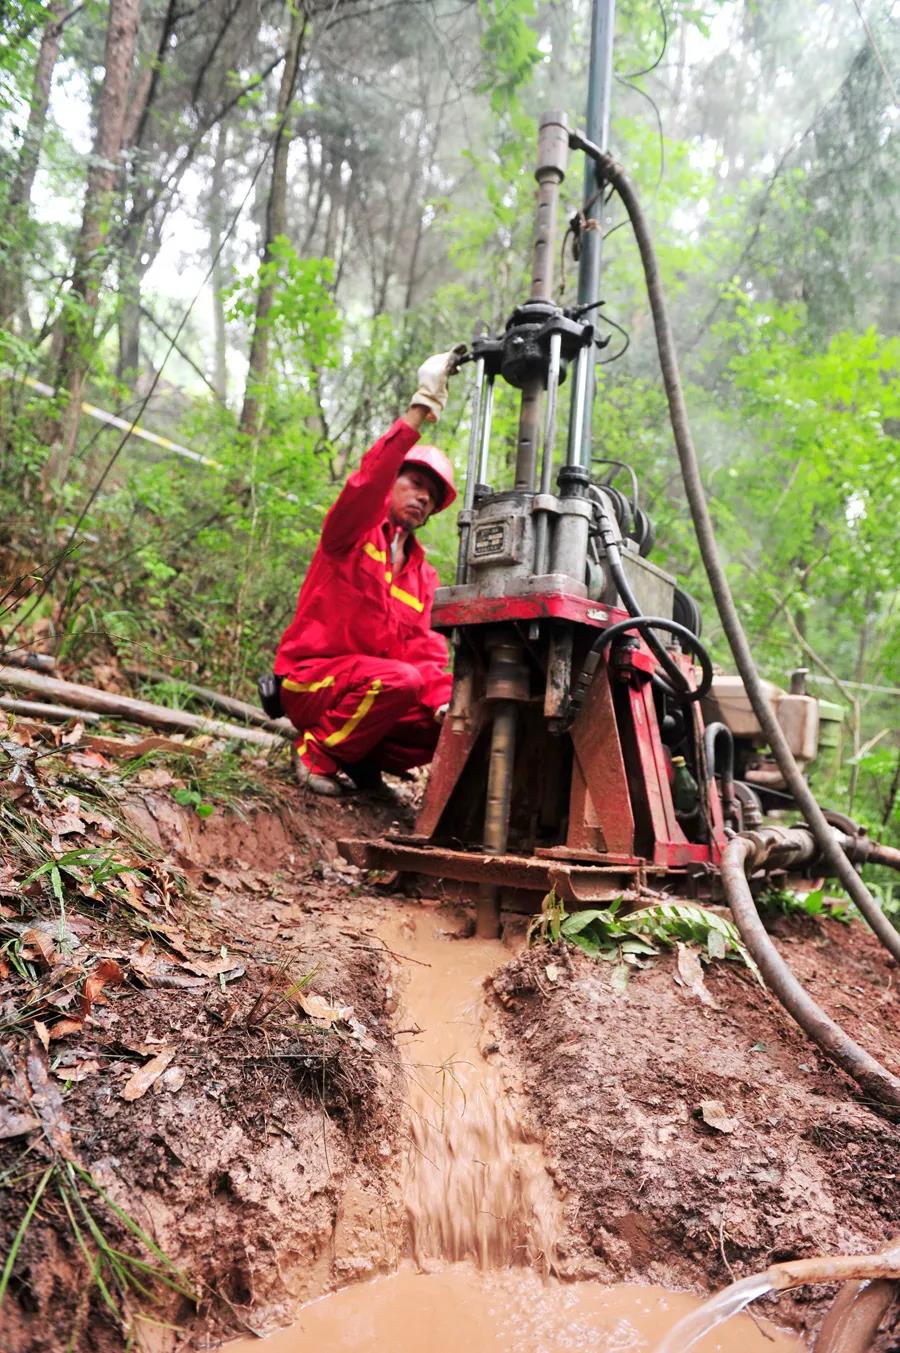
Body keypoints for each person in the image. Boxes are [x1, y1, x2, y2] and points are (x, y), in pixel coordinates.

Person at [273, 347, 465, 797]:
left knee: (450, 719)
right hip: (311, 680)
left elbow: (427, 655)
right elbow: (365, 482)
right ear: (393, 482)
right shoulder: (352, 533)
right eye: (414, 484)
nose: (422, 498)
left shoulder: (424, 577)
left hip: (373, 686)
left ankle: (360, 765)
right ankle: (316, 752)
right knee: (399, 679)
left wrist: (445, 704)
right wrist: (419, 411)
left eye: (431, 497)